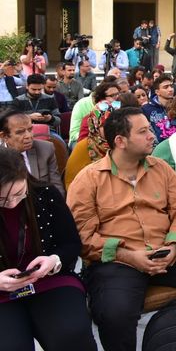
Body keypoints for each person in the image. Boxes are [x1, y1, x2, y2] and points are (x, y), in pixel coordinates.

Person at [67, 107, 176, 351]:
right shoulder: (89, 178)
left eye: (150, 129)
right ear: (120, 141)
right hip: (118, 260)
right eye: (143, 132)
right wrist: (129, 256)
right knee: (115, 312)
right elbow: (84, 237)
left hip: (166, 251)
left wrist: (174, 247)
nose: (152, 135)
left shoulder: (161, 169)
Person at [0, 147, 98, 351]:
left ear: (25, 176)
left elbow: (71, 244)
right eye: (2, 200)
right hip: (2, 292)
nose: (12, 204)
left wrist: (53, 260)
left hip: (50, 280)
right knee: (10, 345)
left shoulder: (45, 195)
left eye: (19, 193)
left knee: (71, 334)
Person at [0, 108, 65, 196]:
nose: (29, 136)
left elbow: (57, 188)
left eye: (30, 129)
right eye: (20, 132)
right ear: (4, 136)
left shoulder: (46, 149)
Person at [142, 73, 174, 141]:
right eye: (166, 87)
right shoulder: (146, 109)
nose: (170, 89)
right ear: (157, 92)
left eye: (171, 86)